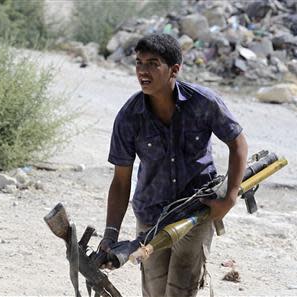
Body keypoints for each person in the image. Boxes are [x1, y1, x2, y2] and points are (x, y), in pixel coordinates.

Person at [99, 33, 248, 297]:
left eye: (153, 63)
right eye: (139, 63)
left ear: (174, 70)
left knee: (181, 291)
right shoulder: (129, 117)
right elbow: (121, 181)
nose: (143, 71)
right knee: (155, 291)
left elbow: (238, 143)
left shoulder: (203, 103)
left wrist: (231, 196)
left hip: (195, 214)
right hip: (151, 219)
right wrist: (110, 235)